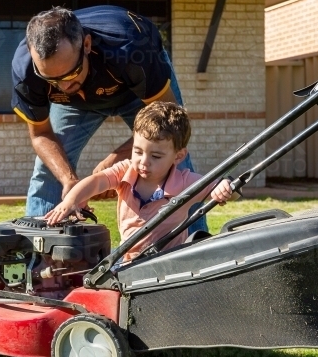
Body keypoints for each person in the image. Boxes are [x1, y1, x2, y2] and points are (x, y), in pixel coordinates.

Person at [11, 5, 208, 234]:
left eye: (70, 74)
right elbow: (41, 134)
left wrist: (115, 159)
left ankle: (197, 244)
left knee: (170, 153)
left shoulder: (132, 47)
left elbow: (170, 127)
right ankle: (38, 255)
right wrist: (70, 182)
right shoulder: (26, 71)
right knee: (48, 168)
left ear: (86, 45)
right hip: (76, 105)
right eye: (52, 80)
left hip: (135, 91)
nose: (64, 86)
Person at [45, 101, 236, 262]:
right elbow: (96, 181)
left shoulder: (185, 182)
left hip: (169, 262)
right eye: (138, 151)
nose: (144, 162)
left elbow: (220, 187)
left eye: (156, 156)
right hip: (127, 260)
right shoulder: (125, 171)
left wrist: (223, 186)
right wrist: (71, 201)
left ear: (178, 156)